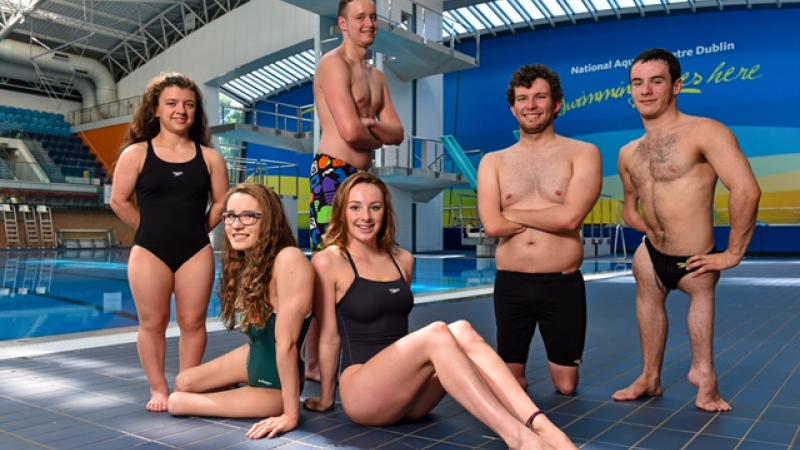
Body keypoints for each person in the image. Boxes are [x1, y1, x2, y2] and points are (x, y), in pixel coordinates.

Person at [304, 173, 575, 450]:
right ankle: (519, 438)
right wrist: (327, 397)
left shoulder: (403, 260)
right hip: (364, 392)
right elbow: (328, 336)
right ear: (342, 212)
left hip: (410, 397)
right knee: (437, 333)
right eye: (355, 207)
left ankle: (542, 426)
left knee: (462, 331)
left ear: (386, 210)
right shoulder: (329, 261)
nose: (366, 216)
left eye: (375, 207)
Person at [612, 49, 760, 412]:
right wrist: (654, 232)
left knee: (701, 323)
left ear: (676, 86)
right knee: (648, 302)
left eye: (656, 81)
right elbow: (630, 208)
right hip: (651, 255)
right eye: (637, 83)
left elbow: (746, 189)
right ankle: (649, 377)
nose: (645, 90)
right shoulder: (628, 152)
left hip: (697, 258)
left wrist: (733, 253)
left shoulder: (705, 131)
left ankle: (706, 382)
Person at [477, 65, 603, 395]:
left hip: (561, 284)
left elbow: (570, 219)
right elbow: (492, 225)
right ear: (512, 107)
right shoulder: (494, 161)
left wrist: (510, 211)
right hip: (511, 284)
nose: (530, 105)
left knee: (566, 386)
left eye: (539, 97)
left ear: (557, 104)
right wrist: (549, 213)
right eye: (522, 98)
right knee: (510, 384)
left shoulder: (583, 153)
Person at [111, 73, 229, 412]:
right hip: (150, 250)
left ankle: (187, 384)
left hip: (195, 249)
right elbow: (118, 201)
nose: (181, 111)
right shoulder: (136, 153)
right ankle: (159, 388)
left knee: (193, 322)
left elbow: (221, 202)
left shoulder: (209, 158)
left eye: (189, 105)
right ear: (156, 110)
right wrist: (147, 228)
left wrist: (199, 228)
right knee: (153, 323)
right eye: (173, 103)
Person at [305, 0, 405, 382]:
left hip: (363, 178)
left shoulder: (377, 77)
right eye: (360, 17)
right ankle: (313, 361)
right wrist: (374, 127)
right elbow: (349, 131)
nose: (368, 23)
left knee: (361, 265)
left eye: (373, 17)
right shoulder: (333, 65)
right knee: (326, 267)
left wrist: (369, 126)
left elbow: (400, 132)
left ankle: (347, 350)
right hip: (333, 173)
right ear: (342, 24)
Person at [167, 184, 313, 439]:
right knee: (184, 382)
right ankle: (238, 391)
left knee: (176, 402)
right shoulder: (252, 262)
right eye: (231, 215)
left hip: (276, 386)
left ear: (269, 221)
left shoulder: (289, 259)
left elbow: (287, 343)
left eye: (249, 216)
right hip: (255, 357)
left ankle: (249, 396)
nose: (236, 224)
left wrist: (290, 414)